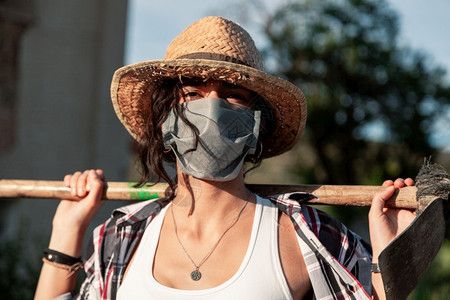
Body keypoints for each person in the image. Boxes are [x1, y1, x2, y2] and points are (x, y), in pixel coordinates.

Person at [35, 16, 415, 300]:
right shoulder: (122, 235)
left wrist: (391, 252)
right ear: (165, 119)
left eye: (233, 94)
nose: (212, 108)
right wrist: (67, 229)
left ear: (256, 125)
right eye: (194, 93)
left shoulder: (305, 233)